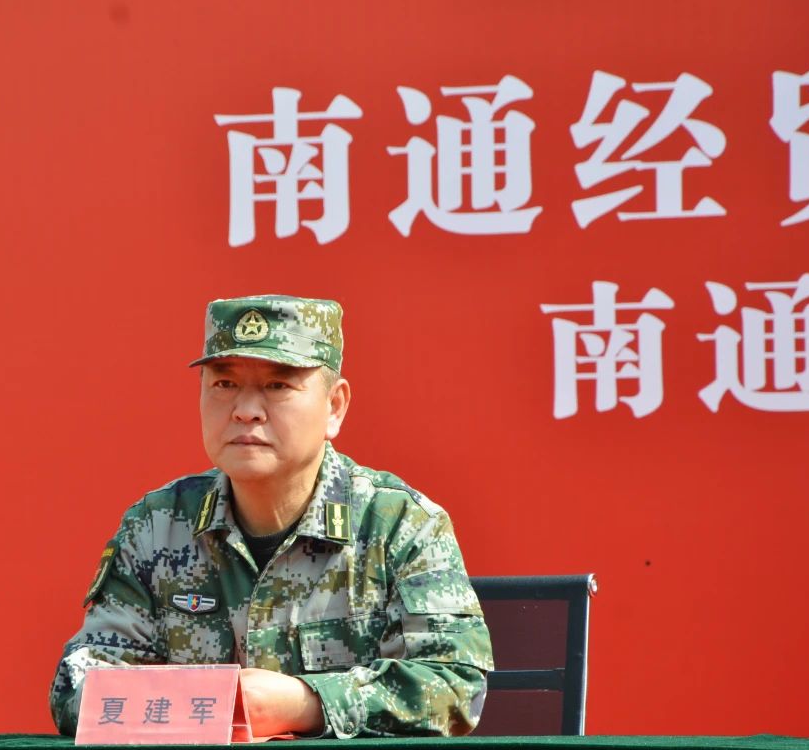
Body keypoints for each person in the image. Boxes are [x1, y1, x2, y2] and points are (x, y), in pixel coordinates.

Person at [48, 295, 493, 738]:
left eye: (277, 386)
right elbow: (79, 685)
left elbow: (453, 685)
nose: (245, 410)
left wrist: (305, 704)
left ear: (334, 406)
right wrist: (211, 703)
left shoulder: (398, 524)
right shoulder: (157, 526)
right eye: (224, 384)